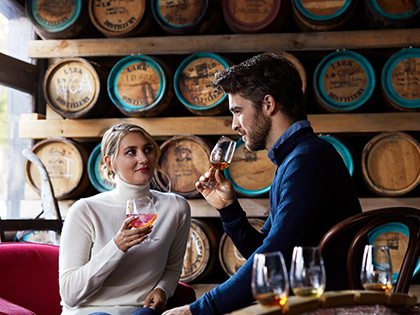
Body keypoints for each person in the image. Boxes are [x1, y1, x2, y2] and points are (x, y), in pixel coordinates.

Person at [163, 52, 362, 315]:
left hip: (325, 307)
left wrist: (199, 310)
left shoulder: (307, 161)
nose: (234, 124)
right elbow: (268, 254)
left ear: (268, 104)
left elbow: (272, 256)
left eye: (237, 111)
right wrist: (229, 209)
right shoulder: (298, 158)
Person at [59, 123, 191, 315]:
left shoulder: (176, 208)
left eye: (147, 149)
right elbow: (69, 294)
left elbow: (172, 269)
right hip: (88, 312)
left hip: (139, 311)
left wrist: (162, 290)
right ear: (110, 162)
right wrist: (117, 247)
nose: (144, 158)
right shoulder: (85, 210)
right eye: (131, 152)